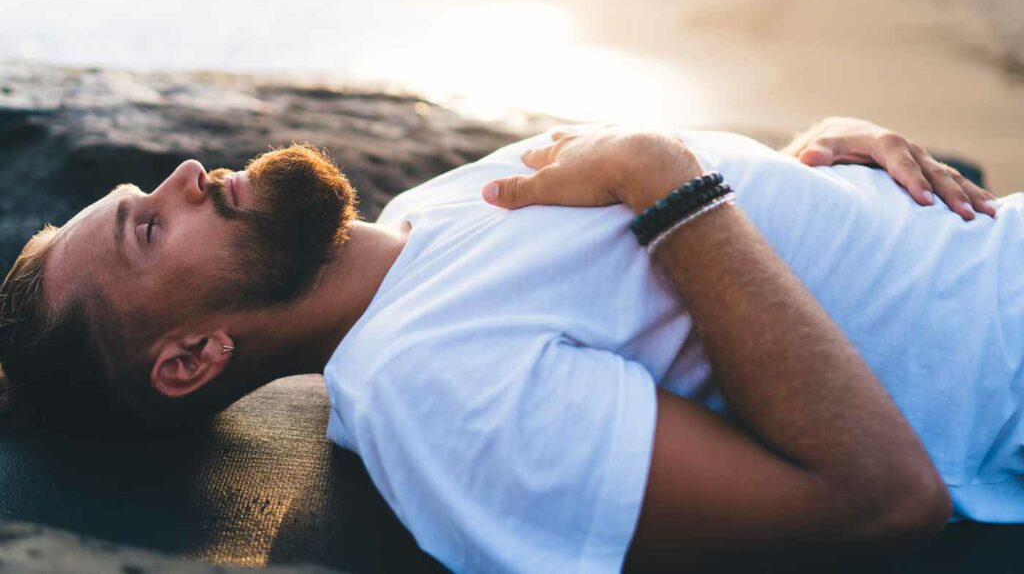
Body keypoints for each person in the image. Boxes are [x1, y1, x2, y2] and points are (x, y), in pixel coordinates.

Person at [0, 116, 1016, 573]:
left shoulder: (424, 207)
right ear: (189, 358)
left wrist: (827, 150)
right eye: (146, 226)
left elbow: (751, 253)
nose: (182, 169)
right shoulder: (428, 387)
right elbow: (875, 500)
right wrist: (664, 181)